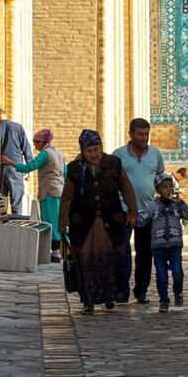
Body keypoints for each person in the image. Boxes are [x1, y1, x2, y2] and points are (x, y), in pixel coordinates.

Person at [60, 129, 138, 314]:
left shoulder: (114, 164)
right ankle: (88, 301)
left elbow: (126, 186)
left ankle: (109, 296)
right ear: (82, 151)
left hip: (110, 221)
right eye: (89, 151)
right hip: (83, 224)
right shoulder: (75, 168)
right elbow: (67, 196)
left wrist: (132, 211)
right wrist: (62, 223)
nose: (94, 154)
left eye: (96, 149)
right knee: (85, 260)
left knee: (111, 258)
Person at [112, 118, 165, 304]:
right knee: (123, 252)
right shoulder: (118, 155)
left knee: (145, 254)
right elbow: (114, 183)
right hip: (124, 210)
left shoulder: (155, 154)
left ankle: (141, 290)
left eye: (146, 134)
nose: (143, 138)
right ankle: (121, 291)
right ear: (131, 134)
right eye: (140, 134)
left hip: (148, 212)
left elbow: (160, 179)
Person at [2, 128, 65, 263]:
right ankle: (58, 250)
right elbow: (64, 173)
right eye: (34, 141)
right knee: (57, 220)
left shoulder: (45, 154)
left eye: (37, 141)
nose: (35, 144)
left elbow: (29, 167)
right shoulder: (58, 153)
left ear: (44, 142)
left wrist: (10, 162)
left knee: (50, 221)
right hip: (59, 191)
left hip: (49, 192)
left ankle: (55, 252)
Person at [135, 173, 188, 312]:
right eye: (165, 187)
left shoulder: (177, 205)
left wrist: (182, 203)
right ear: (157, 190)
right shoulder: (153, 205)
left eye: (170, 186)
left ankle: (178, 291)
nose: (169, 190)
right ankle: (164, 300)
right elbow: (141, 220)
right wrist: (136, 216)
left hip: (175, 245)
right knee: (161, 274)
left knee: (177, 272)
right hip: (158, 246)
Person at [0, 107, 33, 215]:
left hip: (0, 169)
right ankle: (18, 224)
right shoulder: (18, 127)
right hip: (16, 168)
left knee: (0, 203)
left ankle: (2, 224)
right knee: (16, 204)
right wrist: (29, 168)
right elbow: (26, 148)